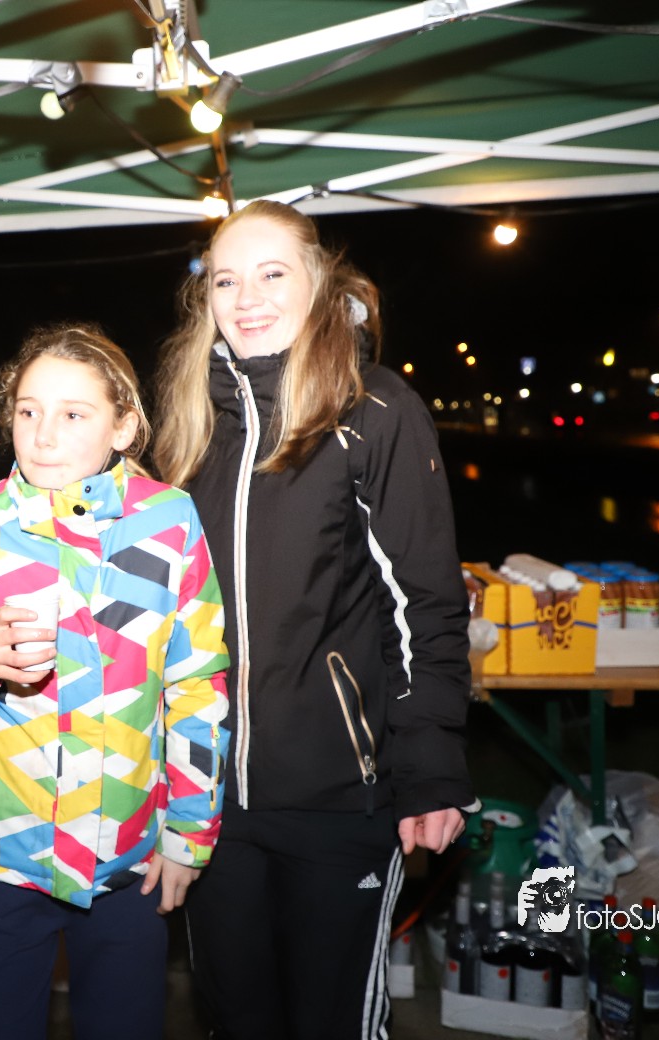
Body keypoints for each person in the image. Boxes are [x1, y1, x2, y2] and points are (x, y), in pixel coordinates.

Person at [154, 200, 478, 1039]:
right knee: (235, 1019)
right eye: (226, 280)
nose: (247, 298)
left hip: (339, 797)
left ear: (319, 284)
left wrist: (430, 763)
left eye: (272, 274)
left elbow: (424, 603)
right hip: (209, 804)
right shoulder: (190, 423)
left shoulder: (374, 410)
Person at [0, 324, 230, 1040]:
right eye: (28, 410)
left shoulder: (169, 521)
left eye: (74, 413)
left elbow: (198, 687)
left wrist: (188, 836)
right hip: (2, 861)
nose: (43, 434)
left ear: (123, 426)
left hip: (129, 862)